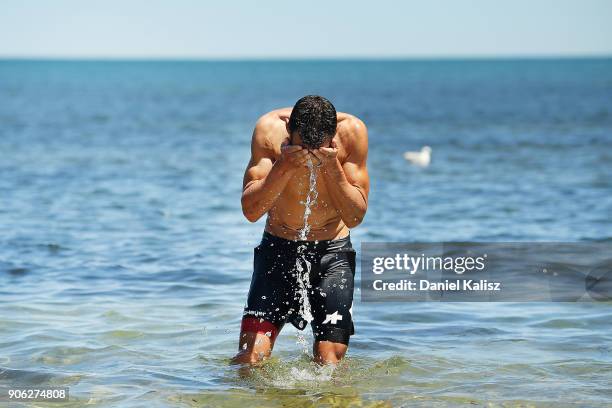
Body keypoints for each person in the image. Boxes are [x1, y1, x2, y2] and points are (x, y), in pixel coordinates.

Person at [232, 95, 369, 365]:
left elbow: (355, 216)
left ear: (333, 138)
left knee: (329, 362)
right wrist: (284, 164)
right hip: (277, 250)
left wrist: (331, 166)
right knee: (249, 359)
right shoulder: (269, 130)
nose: (309, 156)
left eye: (319, 149)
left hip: (332, 255)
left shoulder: (352, 132)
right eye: (302, 147)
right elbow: (251, 211)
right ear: (288, 130)